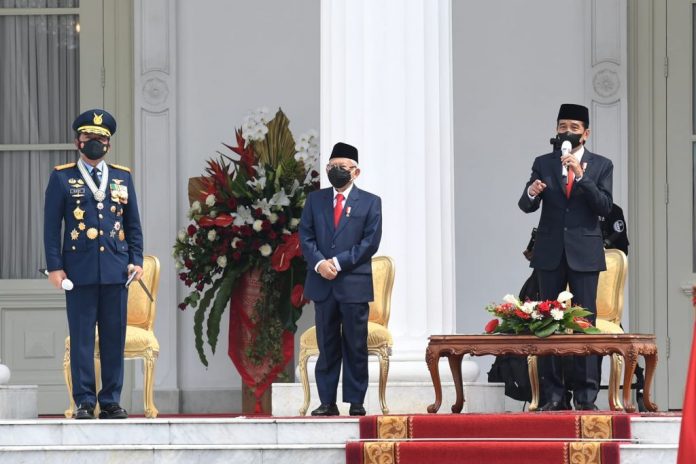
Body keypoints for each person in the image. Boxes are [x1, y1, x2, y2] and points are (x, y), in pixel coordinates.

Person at [44, 109, 144, 419]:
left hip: (116, 269)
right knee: (82, 339)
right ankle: (85, 401)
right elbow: (51, 227)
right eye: (89, 138)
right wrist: (55, 267)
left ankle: (111, 400)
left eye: (101, 139)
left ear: (109, 144)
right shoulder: (62, 177)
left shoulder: (122, 177)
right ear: (78, 142)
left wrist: (136, 260)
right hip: (79, 271)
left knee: (114, 337)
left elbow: (133, 224)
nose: (95, 143)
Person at [518, 103, 613, 411]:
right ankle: (554, 395)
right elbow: (525, 205)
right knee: (548, 320)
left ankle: (586, 397)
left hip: (584, 252)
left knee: (585, 321)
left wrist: (581, 176)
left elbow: (604, 207)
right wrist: (532, 191)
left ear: (586, 133)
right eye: (562, 127)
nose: (567, 132)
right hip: (550, 251)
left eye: (574, 127)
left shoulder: (600, 165)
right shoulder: (543, 162)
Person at [299, 142, 382, 416]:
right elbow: (306, 236)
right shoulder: (316, 200)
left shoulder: (370, 202)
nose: (337, 172)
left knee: (355, 344)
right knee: (328, 344)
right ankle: (327, 402)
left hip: (354, 285)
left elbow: (370, 243)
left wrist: (336, 262)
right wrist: (320, 263)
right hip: (323, 284)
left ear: (355, 172)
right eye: (332, 167)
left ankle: (356, 401)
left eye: (342, 168)